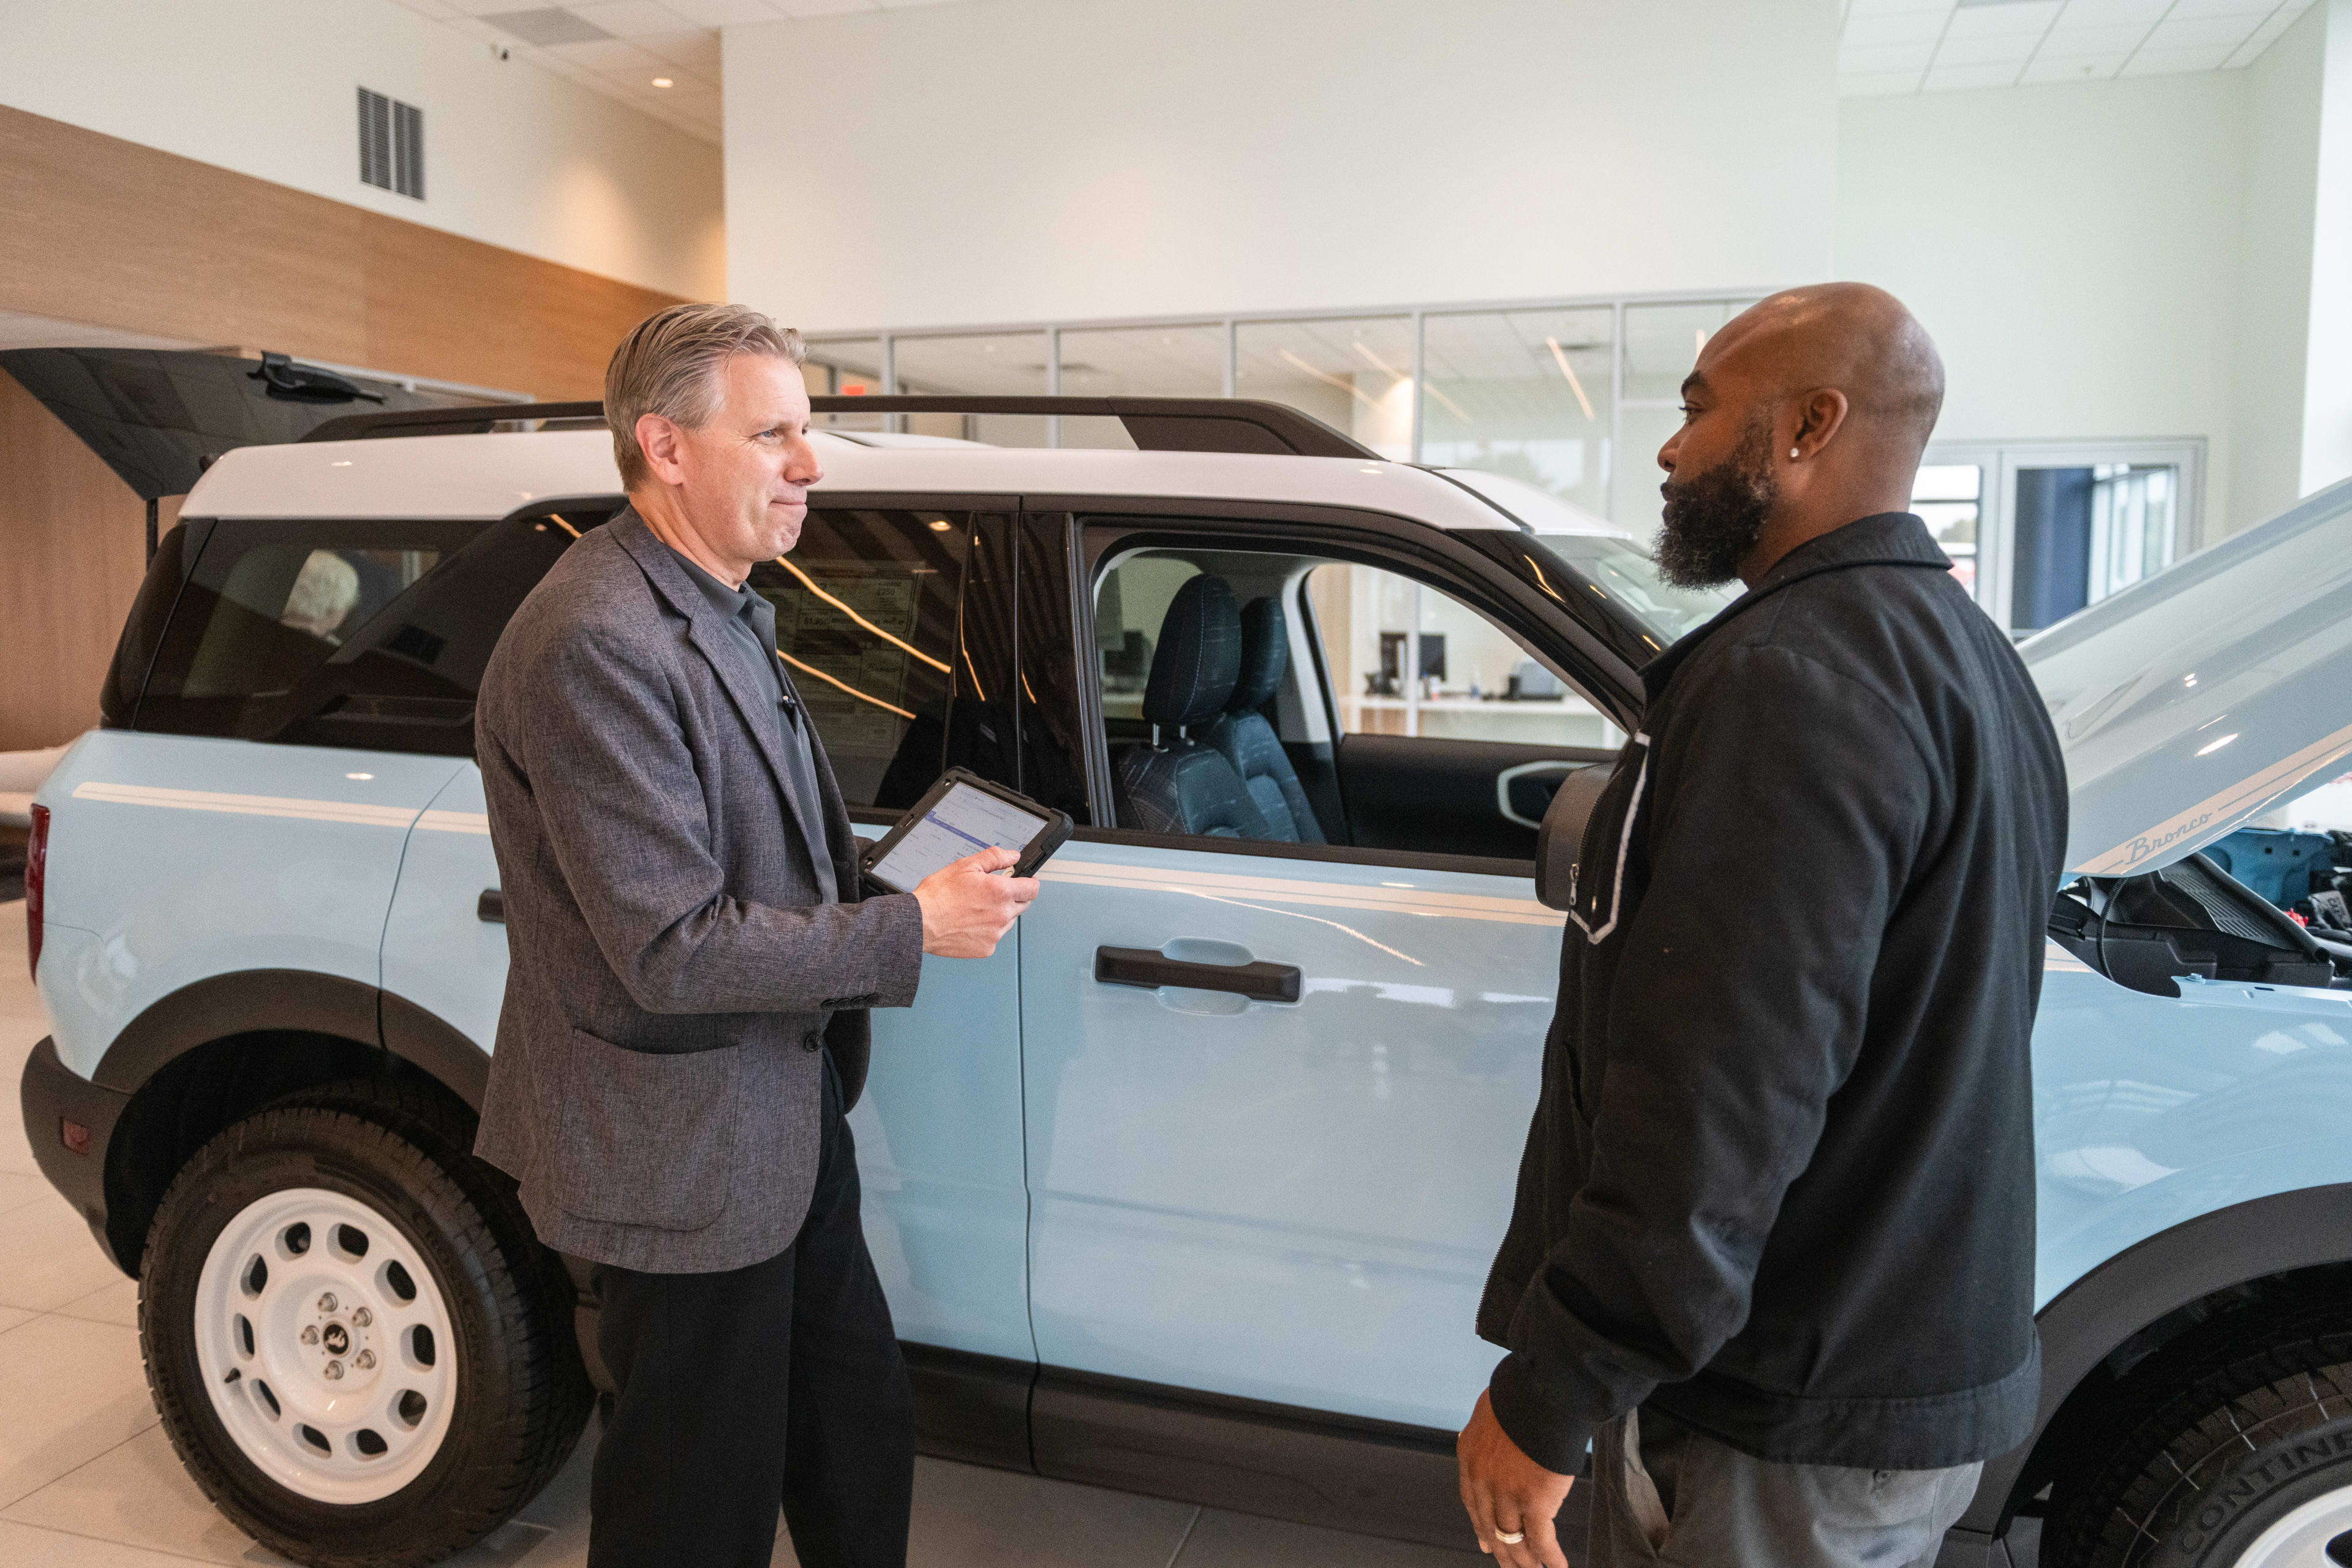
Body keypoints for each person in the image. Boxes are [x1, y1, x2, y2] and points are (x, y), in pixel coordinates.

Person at [1456, 284, 2067, 1568]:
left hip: (1789, 1402)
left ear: (1807, 426)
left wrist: (1559, 1386)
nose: (1672, 451)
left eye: (1695, 411)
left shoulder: (1789, 680)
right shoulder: (1973, 660)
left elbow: (1719, 1094)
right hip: (1897, 1365)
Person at [472, 303, 1037, 1568]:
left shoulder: (715, 599)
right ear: (665, 446)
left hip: (780, 1110)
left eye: (807, 428)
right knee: (694, 1499)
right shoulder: (593, 639)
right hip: (674, 1145)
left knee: (856, 1431)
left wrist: (896, 881)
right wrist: (906, 930)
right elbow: (670, 945)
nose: (809, 463)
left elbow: (758, 843)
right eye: (773, 432)